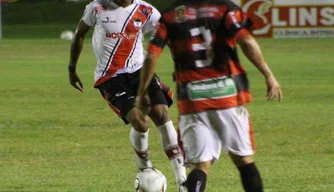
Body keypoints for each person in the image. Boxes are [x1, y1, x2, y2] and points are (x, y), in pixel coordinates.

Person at [135, 0, 283, 191]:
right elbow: (245, 40)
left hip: (192, 97)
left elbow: (152, 55)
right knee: (244, 160)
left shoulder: (170, 16)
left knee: (201, 165)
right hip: (227, 94)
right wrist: (268, 75)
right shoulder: (225, 8)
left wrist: (142, 93)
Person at [67, 0, 187, 189]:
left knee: (162, 114)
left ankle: (183, 181)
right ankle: (145, 167)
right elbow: (79, 34)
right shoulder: (97, 7)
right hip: (111, 78)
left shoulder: (145, 10)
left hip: (140, 72)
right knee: (140, 122)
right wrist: (72, 68)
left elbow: (169, 35)